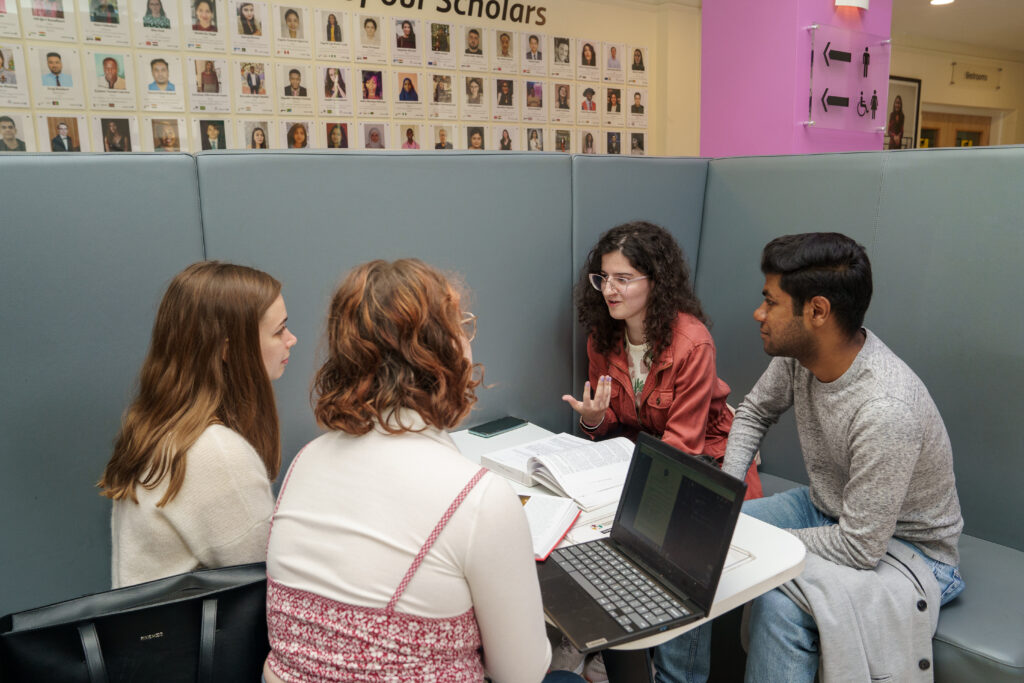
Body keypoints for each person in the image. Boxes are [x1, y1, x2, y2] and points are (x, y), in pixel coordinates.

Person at [653, 232, 964, 683]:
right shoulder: (801, 354)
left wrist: (752, 538)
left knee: (781, 598)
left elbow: (860, 547)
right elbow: (756, 410)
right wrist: (727, 493)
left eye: (770, 301)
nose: (759, 313)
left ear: (817, 311)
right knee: (692, 536)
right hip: (826, 511)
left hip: (912, 554)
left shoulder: (886, 408)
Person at [262, 259, 580, 683]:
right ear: (440, 352)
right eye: (460, 325)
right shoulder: (477, 498)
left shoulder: (305, 461)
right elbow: (520, 674)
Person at [99, 262, 296, 588]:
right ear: (227, 348)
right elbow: (273, 586)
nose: (291, 339)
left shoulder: (165, 431)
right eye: (278, 331)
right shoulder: (215, 452)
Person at [562, 220, 762, 501]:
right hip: (646, 455)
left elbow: (683, 443)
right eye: (603, 278)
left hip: (708, 459)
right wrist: (594, 419)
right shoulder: (601, 339)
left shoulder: (692, 343)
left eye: (622, 279)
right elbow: (616, 418)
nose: (608, 290)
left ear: (655, 282)